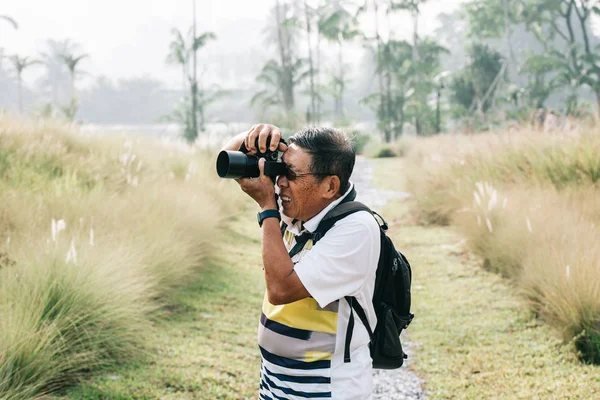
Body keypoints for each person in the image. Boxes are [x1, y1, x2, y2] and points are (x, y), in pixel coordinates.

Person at [221, 123, 380, 399]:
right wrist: (253, 137)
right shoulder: (300, 211)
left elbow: (281, 291)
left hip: (326, 387)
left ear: (330, 186)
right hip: (275, 380)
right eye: (281, 170)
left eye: (291, 174)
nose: (279, 182)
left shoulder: (356, 228)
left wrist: (267, 208)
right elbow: (228, 157)